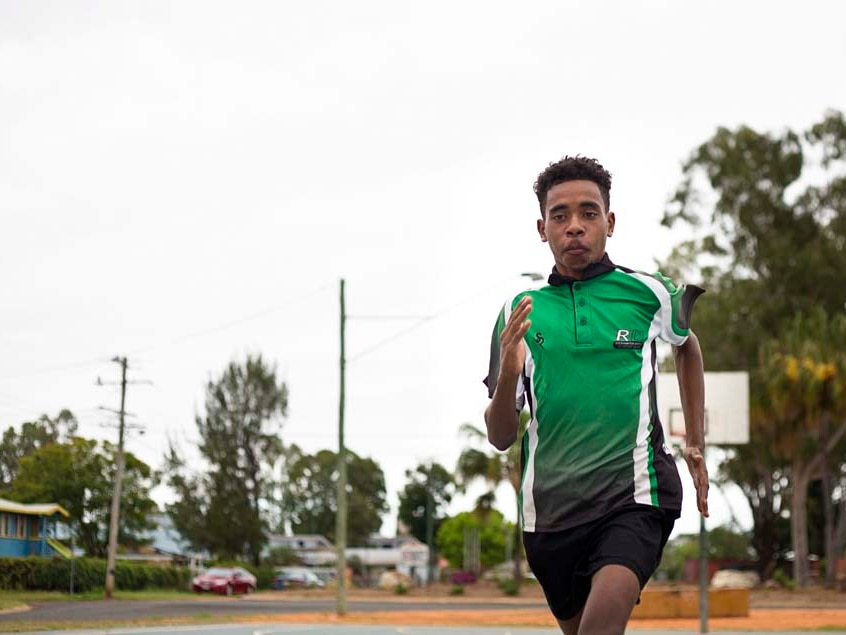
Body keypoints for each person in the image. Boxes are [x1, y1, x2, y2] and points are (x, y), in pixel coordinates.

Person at [484, 155, 709, 635]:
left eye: (588, 213)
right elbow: (501, 436)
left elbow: (687, 346)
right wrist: (507, 373)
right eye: (560, 216)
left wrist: (695, 440)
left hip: (635, 497)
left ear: (609, 222)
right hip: (549, 517)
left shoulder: (649, 293)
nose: (574, 227)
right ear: (542, 228)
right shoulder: (518, 312)